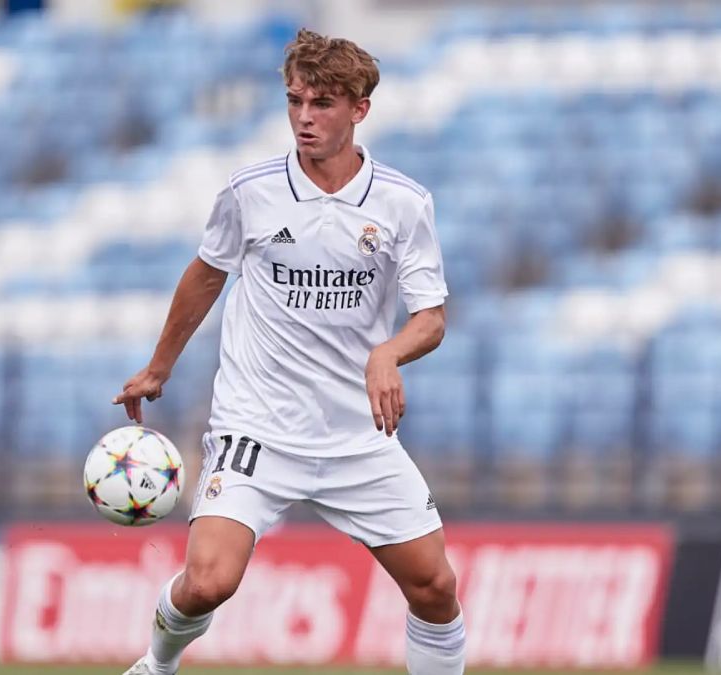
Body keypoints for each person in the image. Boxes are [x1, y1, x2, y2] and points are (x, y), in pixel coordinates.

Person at [112, 28, 465, 675]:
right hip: (259, 428)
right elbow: (207, 272)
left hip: (357, 435)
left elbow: (432, 318)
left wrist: (386, 354)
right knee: (208, 581)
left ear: (360, 108)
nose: (304, 117)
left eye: (323, 103)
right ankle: (156, 665)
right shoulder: (251, 191)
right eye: (295, 100)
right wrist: (159, 366)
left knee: (435, 587)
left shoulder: (403, 204)